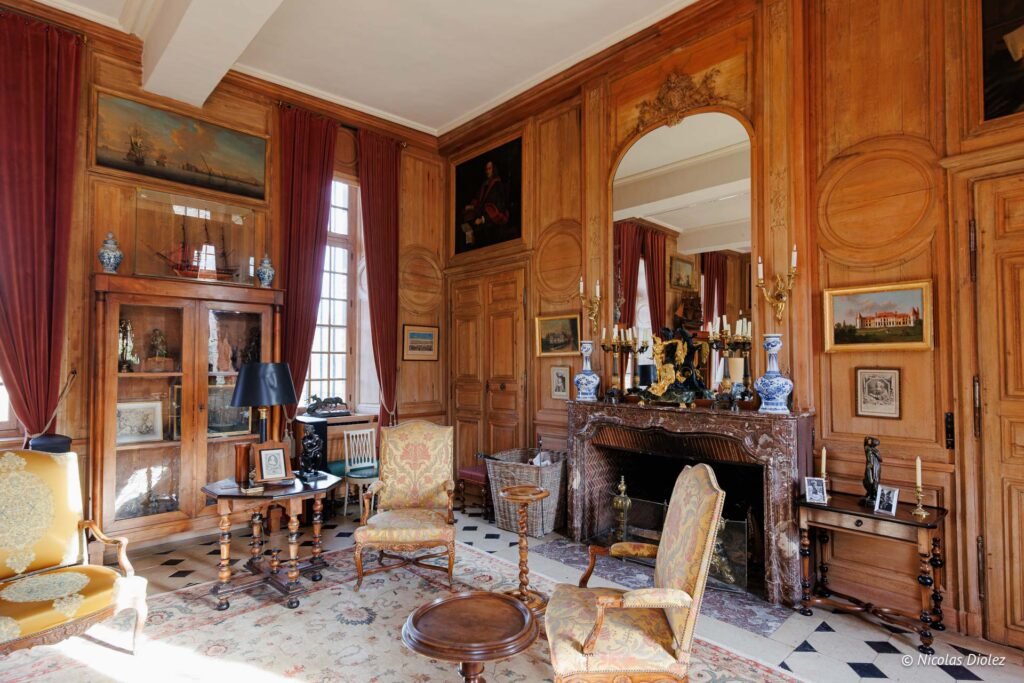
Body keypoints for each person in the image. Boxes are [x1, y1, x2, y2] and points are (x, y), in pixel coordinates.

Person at [461, 160, 510, 247]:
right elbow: (479, 200)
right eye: (486, 169)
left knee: (478, 228)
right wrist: (472, 206)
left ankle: (472, 245)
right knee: (465, 216)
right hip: (481, 211)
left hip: (492, 217)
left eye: (489, 168)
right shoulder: (485, 184)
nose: (487, 171)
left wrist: (482, 219)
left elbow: (499, 207)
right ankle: (469, 244)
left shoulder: (498, 185)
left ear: (494, 169)